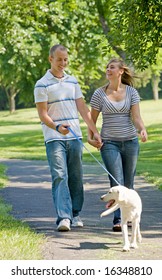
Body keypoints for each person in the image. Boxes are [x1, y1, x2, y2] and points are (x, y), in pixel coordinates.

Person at [34, 44, 101, 232]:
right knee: (59, 176)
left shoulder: (73, 82)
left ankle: (75, 214)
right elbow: (42, 114)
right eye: (59, 59)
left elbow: (82, 109)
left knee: (76, 176)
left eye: (65, 59)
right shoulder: (42, 84)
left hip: (74, 137)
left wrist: (94, 131)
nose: (63, 63)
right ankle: (64, 217)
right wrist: (56, 126)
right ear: (50, 59)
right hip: (54, 137)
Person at [88, 57, 148, 232]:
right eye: (107, 67)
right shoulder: (99, 94)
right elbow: (91, 120)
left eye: (112, 67)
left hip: (130, 142)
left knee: (129, 183)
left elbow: (136, 117)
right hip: (109, 143)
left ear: (121, 71)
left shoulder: (131, 92)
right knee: (116, 182)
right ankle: (118, 219)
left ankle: (129, 217)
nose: (108, 70)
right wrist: (90, 137)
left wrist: (142, 129)